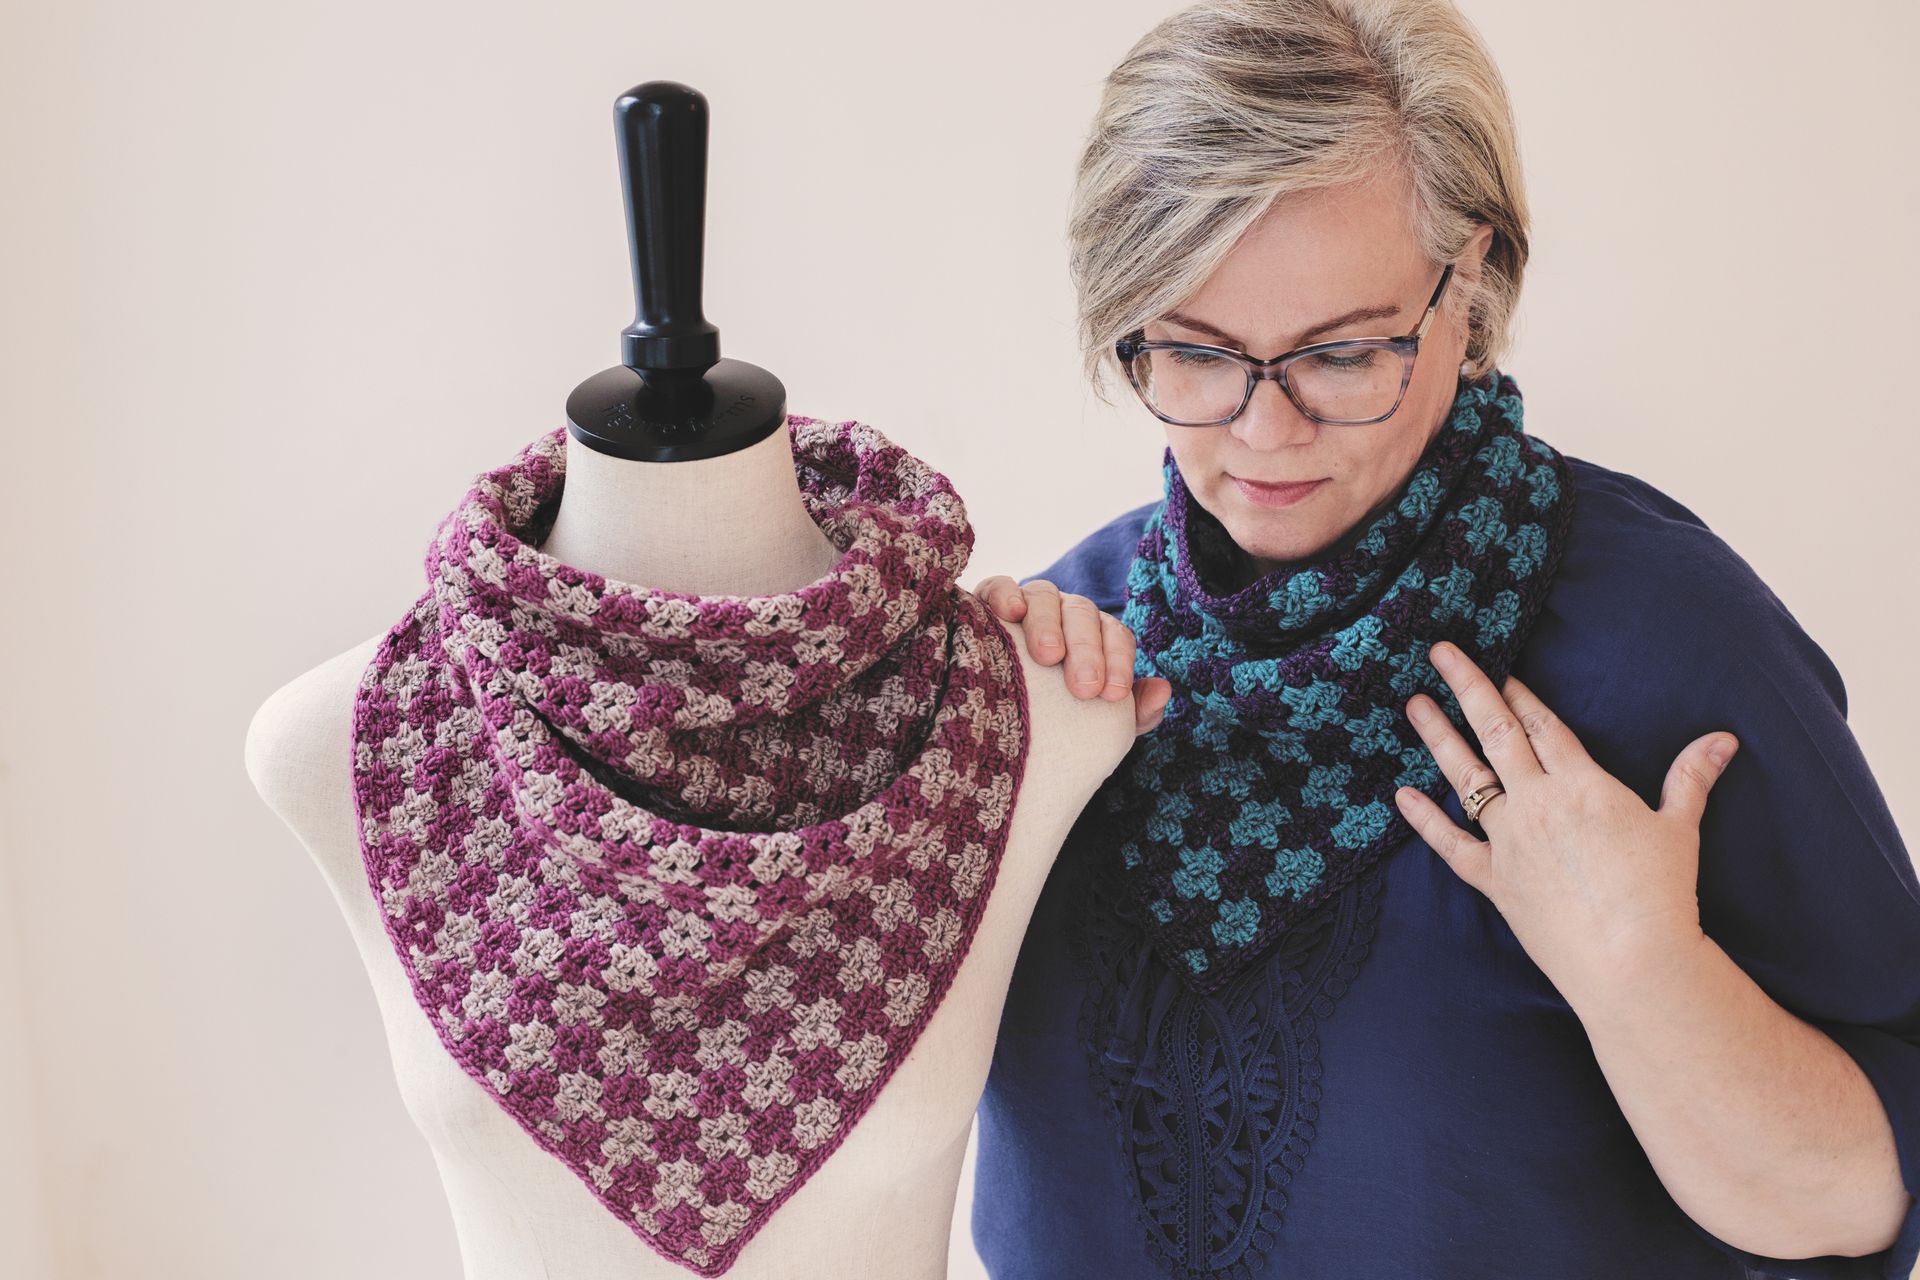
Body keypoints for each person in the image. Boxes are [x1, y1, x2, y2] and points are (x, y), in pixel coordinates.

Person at [964, 2, 1920, 1277]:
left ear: (1467, 286)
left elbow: (1865, 1202)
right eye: (1195, 351)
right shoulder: (1053, 670)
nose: (1263, 432)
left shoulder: (1666, 642)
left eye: (1344, 352)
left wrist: (1642, 972)